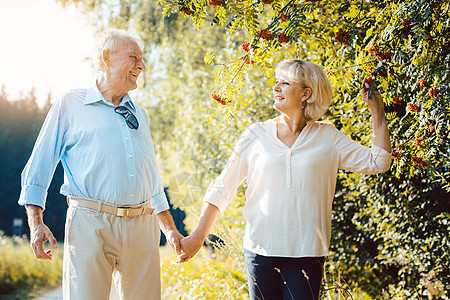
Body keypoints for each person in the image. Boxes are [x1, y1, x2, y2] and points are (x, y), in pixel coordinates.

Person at [177, 59, 392, 300]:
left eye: (285, 83)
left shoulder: (327, 137)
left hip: (306, 254)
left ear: (305, 93)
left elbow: (379, 162)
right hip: (260, 252)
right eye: (276, 82)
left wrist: (377, 110)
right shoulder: (255, 134)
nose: (276, 87)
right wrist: (197, 238)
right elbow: (222, 187)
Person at [18, 29, 183, 300]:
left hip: (142, 227)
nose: (141, 66)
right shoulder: (71, 104)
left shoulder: (138, 113)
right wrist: (36, 223)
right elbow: (38, 168)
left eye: (142, 60)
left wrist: (170, 230)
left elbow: (151, 177)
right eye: (133, 58)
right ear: (106, 57)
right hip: (90, 223)